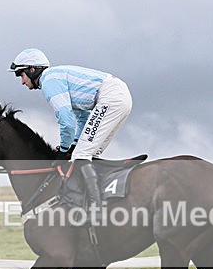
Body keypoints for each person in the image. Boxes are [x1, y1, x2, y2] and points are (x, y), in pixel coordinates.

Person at [8, 48, 132, 225]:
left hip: (110, 97)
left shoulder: (49, 82)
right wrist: (73, 144)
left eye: (21, 75)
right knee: (87, 153)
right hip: (117, 96)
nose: (22, 82)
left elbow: (66, 122)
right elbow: (82, 118)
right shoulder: (54, 78)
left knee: (82, 155)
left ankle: (96, 210)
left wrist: (63, 150)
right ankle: (99, 199)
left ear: (32, 70)